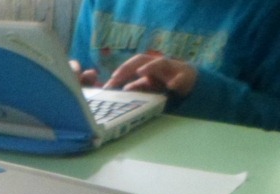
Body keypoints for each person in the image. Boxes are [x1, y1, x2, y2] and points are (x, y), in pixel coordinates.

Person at [69, 0, 280, 131]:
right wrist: (71, 83)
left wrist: (197, 87)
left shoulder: (267, 11)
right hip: (110, 154)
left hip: (213, 165)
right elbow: (85, 77)